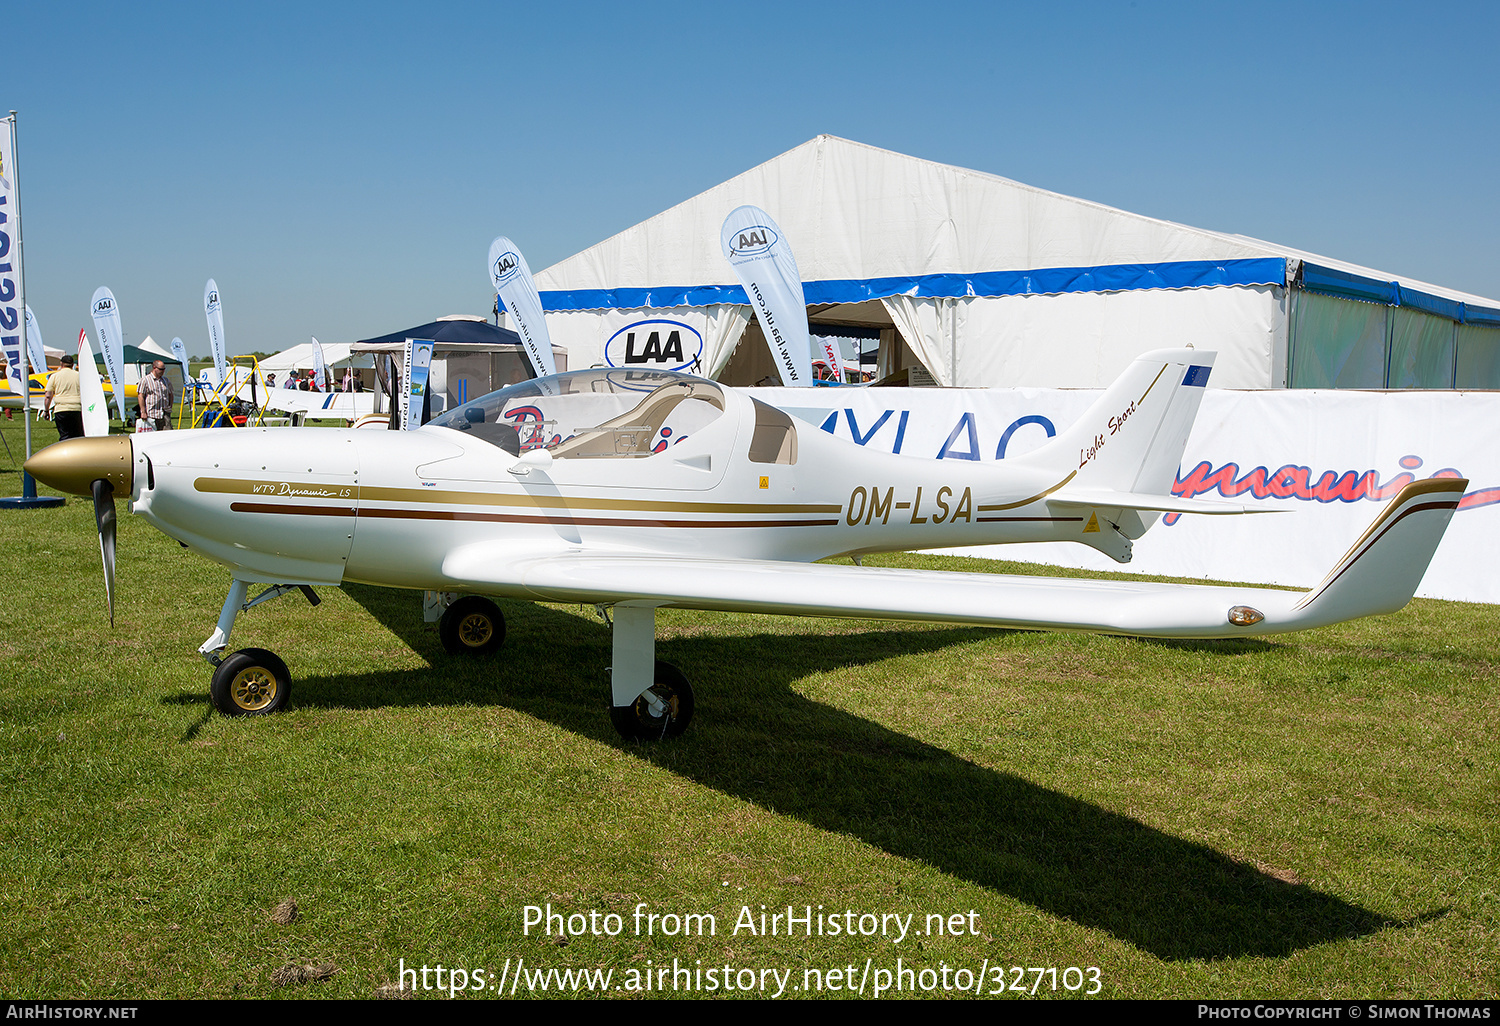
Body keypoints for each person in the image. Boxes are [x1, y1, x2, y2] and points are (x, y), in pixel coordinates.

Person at [43, 355, 84, 441]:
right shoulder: (79, 376)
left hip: (61, 409)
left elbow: (48, 395)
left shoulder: (54, 376)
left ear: (61, 363)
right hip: (77, 408)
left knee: (64, 435)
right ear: (73, 365)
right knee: (78, 436)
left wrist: (46, 410)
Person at [138, 359, 175, 431]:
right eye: (161, 369)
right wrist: (143, 412)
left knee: (168, 434)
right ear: (154, 368)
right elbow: (141, 396)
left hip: (164, 414)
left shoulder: (166, 380)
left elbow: (170, 394)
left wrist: (170, 406)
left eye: (164, 369)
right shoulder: (145, 380)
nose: (163, 371)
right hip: (151, 414)